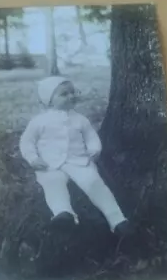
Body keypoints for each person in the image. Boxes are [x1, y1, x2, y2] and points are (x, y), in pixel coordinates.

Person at [19, 76, 133, 237]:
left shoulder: (80, 119)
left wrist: (95, 149)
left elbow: (91, 137)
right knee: (53, 183)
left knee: (94, 182)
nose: (71, 96)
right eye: (64, 94)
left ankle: (117, 220)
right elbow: (27, 142)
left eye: (73, 92)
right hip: (49, 164)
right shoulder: (39, 121)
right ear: (49, 100)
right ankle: (63, 213)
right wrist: (33, 158)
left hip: (78, 161)